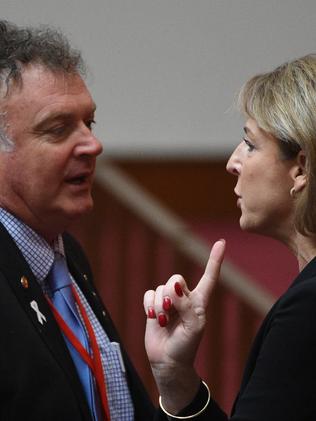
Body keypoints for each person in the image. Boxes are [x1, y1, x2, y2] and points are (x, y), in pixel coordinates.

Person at [0, 20, 158, 420]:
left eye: (90, 122)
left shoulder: (64, 252)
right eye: (58, 129)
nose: (92, 143)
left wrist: (176, 381)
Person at [144, 54, 316, 420]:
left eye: (251, 144)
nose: (232, 162)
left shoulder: (307, 309)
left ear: (301, 168)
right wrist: (175, 378)